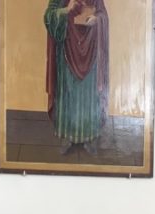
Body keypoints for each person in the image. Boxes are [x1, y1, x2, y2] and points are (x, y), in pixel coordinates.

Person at [44, 0, 109, 155]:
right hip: (67, 46)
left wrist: (97, 19)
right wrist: (67, 10)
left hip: (91, 48)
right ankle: (67, 136)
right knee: (68, 92)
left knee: (89, 94)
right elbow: (49, 15)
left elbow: (103, 15)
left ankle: (89, 136)